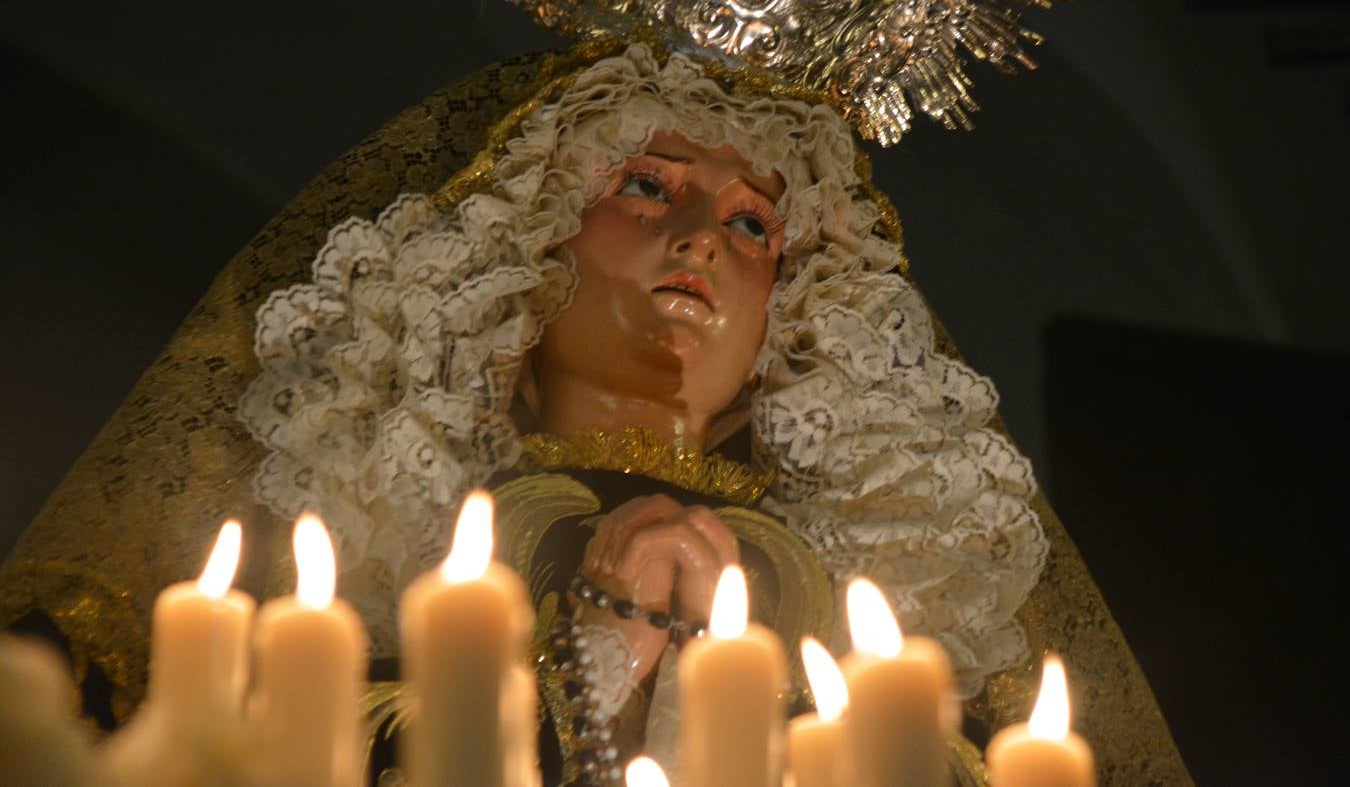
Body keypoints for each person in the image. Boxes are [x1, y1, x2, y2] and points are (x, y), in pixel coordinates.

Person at [1, 40, 1190, 784]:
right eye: (645, 186)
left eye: (749, 224)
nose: (697, 241)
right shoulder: (362, 552)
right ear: (519, 241)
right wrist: (592, 661)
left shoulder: (888, 628)